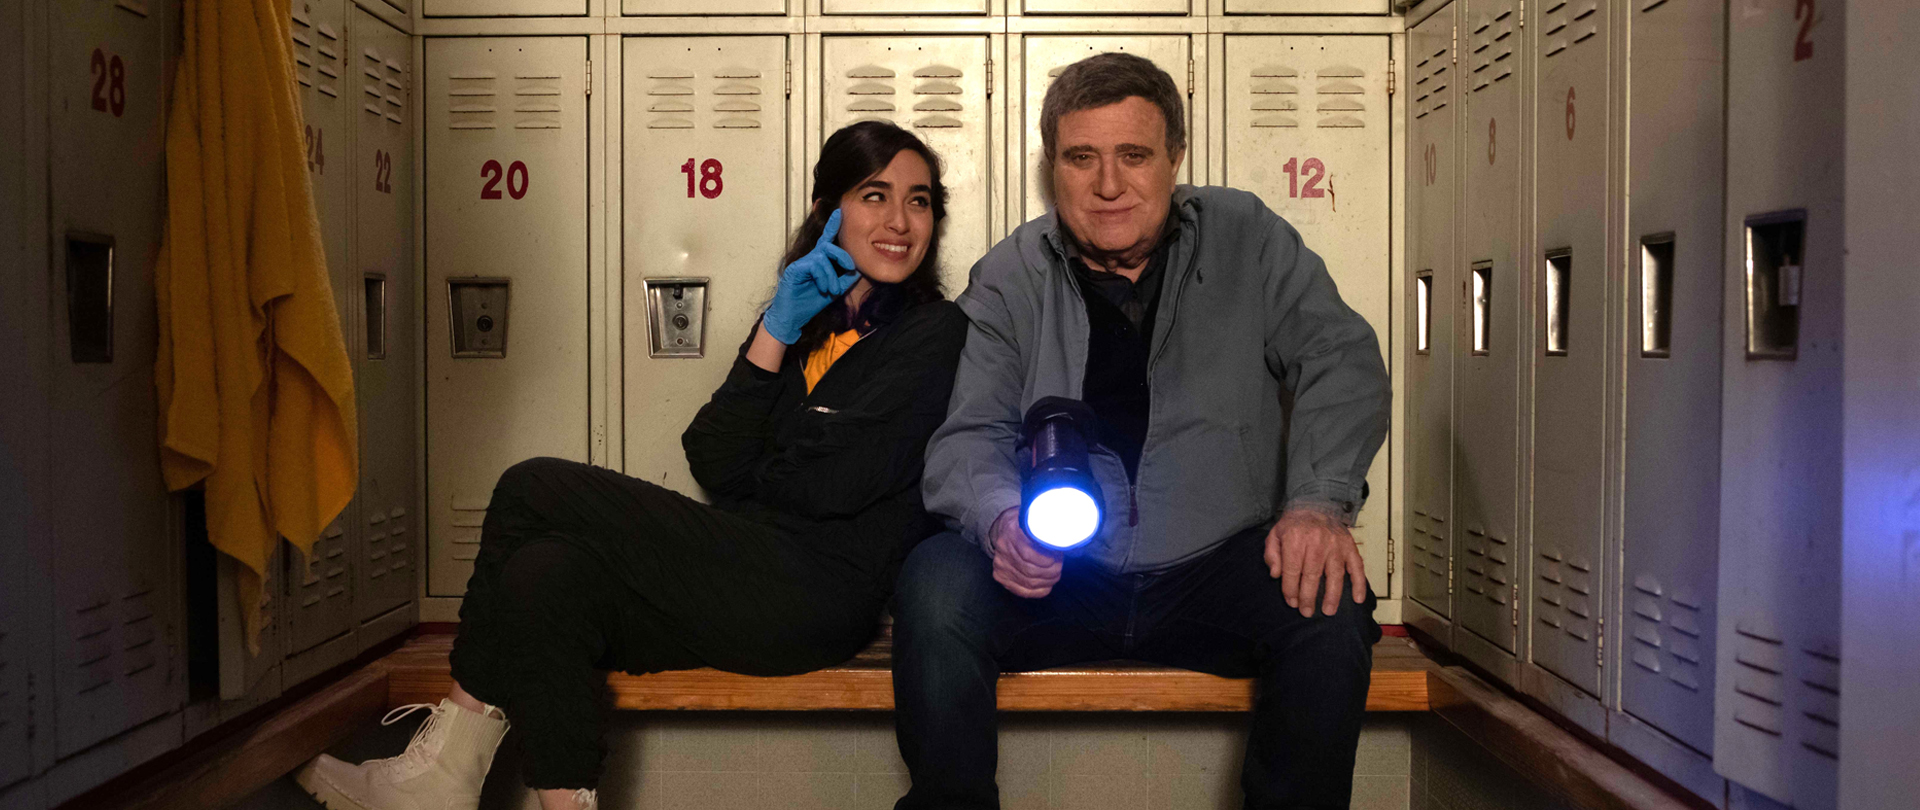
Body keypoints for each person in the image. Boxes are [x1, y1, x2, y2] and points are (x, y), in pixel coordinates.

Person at [295, 121, 968, 810]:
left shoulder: (935, 332)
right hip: (744, 575)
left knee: (531, 486)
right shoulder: (801, 326)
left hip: (817, 592)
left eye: (918, 201)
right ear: (828, 213)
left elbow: (836, 485)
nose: (898, 221)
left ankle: (446, 769)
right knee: (544, 574)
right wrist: (777, 328)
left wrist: (766, 469)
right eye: (874, 195)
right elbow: (713, 457)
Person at [891, 52, 1391, 810]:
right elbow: (969, 435)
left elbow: (1342, 358)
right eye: (1081, 158)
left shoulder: (1247, 237)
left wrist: (1317, 504)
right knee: (934, 582)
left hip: (1215, 565)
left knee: (1330, 601)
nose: (1108, 184)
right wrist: (1000, 523)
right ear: (1053, 167)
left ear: (1174, 159)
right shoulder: (1010, 274)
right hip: (1060, 573)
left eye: (1133, 155)